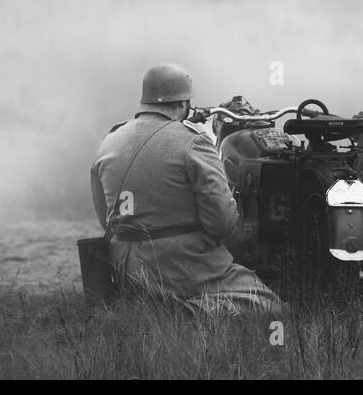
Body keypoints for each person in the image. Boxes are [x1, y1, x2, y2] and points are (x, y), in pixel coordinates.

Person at [90, 63, 282, 315]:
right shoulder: (193, 142)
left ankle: (151, 304)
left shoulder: (110, 140)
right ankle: (189, 311)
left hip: (125, 264)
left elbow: (105, 217)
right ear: (183, 103)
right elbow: (223, 222)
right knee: (270, 305)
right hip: (180, 264)